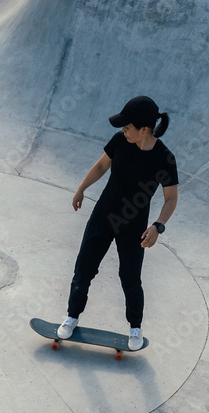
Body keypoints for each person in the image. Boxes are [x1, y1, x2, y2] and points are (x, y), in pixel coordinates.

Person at [59, 95, 179, 351]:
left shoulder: (164, 159)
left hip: (134, 227)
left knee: (130, 278)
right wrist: (81, 188)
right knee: (84, 269)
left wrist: (158, 226)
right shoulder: (119, 142)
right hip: (103, 216)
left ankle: (135, 327)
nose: (123, 131)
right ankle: (71, 317)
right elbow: (102, 165)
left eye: (127, 127)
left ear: (144, 129)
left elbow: (170, 199)